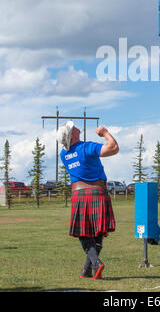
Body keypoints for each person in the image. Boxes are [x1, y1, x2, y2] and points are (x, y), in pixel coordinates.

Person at [57, 120, 119, 280]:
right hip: (97, 191)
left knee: (86, 232)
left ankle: (87, 270)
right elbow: (113, 148)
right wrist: (105, 133)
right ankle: (96, 264)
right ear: (73, 135)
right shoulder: (86, 147)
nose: (77, 127)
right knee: (93, 232)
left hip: (79, 194)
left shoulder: (63, 154)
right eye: (73, 128)